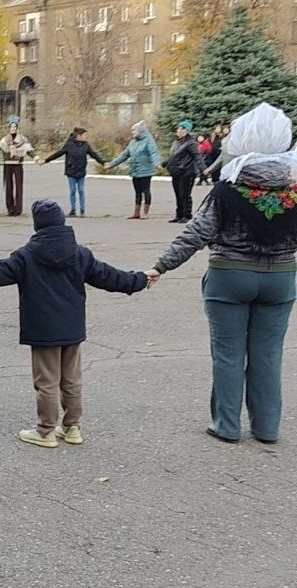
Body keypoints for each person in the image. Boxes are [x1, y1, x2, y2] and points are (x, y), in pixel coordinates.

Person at [148, 103, 297, 444]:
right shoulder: (293, 193)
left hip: (230, 276)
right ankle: (267, 427)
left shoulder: (227, 191)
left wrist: (162, 266)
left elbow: (196, 233)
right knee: (269, 354)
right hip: (280, 279)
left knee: (229, 354)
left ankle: (226, 425)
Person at [0, 200, 149, 448]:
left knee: (47, 381)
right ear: (62, 222)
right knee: (71, 379)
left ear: (38, 226)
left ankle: (45, 431)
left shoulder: (26, 256)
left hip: (43, 328)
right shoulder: (80, 254)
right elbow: (109, 276)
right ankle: (71, 428)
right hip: (72, 327)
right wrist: (139, 280)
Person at [38, 127, 106, 217]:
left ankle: (82, 210)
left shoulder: (86, 145)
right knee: (73, 191)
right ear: (79, 136)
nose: (86, 137)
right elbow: (58, 153)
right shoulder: (69, 144)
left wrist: (103, 163)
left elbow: (94, 155)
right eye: (84, 135)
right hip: (71, 171)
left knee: (81, 190)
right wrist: (46, 160)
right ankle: (73, 210)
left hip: (81, 171)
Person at [0, 117, 36, 217]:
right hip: (7, 164)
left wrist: (36, 157)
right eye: (11, 126)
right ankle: (10, 209)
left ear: (17, 128)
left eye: (14, 126)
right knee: (8, 187)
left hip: (18, 164)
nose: (13, 128)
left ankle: (18, 209)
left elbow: (29, 150)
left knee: (19, 187)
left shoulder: (23, 139)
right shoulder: (5, 140)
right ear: (9, 128)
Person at [106, 120, 161, 220]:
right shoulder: (133, 142)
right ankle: (136, 212)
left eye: (134, 131)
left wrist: (157, 163)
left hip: (145, 171)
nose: (133, 133)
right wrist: (111, 164)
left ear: (140, 131)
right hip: (135, 171)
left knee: (146, 191)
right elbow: (124, 155)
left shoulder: (148, 140)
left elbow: (154, 152)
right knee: (137, 192)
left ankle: (145, 212)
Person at [166, 120, 205, 224]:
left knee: (185, 194)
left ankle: (187, 215)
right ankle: (179, 215)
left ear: (187, 131)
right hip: (176, 171)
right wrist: (164, 163)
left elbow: (198, 156)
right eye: (178, 128)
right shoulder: (176, 142)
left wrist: (203, 169)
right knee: (178, 194)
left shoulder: (191, 143)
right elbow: (173, 156)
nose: (179, 130)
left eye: (181, 128)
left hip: (187, 172)